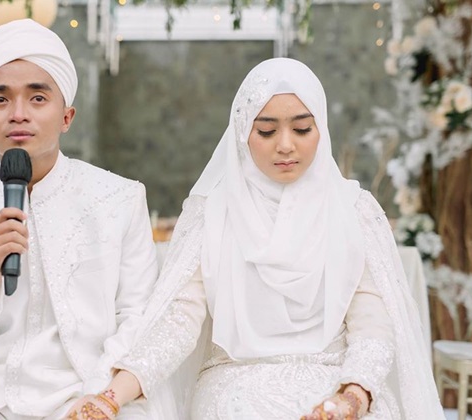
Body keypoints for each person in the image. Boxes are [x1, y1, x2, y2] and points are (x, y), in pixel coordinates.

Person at [72, 58, 444, 419]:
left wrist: (353, 396)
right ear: (242, 133)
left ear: (322, 130)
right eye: (266, 131)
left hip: (338, 380)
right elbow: (179, 320)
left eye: (302, 129)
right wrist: (111, 397)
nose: (286, 145)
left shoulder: (353, 210)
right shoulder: (213, 212)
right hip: (236, 385)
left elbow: (373, 323)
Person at [0, 19, 158, 419]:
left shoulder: (118, 199)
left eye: (37, 98)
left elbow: (136, 318)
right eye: (1, 99)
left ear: (67, 116)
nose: (18, 115)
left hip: (84, 388)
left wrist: (102, 396)